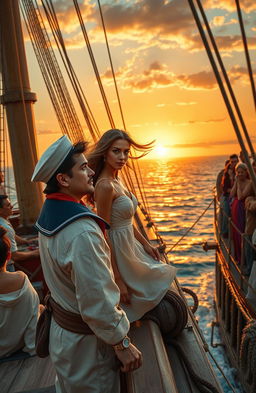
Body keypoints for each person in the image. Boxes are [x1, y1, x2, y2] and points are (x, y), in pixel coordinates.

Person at [31, 135, 142, 393]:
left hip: (64, 335)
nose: (91, 171)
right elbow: (97, 300)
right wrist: (121, 344)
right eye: (83, 167)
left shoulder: (50, 215)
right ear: (63, 179)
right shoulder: (82, 232)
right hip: (88, 347)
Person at [88, 129, 176, 322]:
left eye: (126, 152)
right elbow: (103, 233)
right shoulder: (104, 186)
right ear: (105, 153)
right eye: (116, 151)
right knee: (153, 287)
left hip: (131, 245)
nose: (122, 157)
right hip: (120, 252)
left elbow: (125, 221)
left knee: (161, 278)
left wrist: (145, 243)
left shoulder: (117, 179)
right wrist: (117, 279)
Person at [0, 226, 41, 358]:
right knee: (40, 308)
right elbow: (32, 313)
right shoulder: (21, 279)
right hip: (19, 347)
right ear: (9, 255)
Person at [0, 195, 39, 272]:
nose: (11, 206)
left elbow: (13, 235)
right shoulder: (5, 228)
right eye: (8, 205)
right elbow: (15, 256)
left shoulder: (3, 221)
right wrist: (36, 253)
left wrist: (27, 241)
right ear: (0, 210)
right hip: (7, 268)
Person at [230, 163, 252, 263]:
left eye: (241, 172)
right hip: (235, 209)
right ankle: (238, 256)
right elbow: (232, 194)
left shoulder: (249, 183)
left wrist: (238, 184)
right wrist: (236, 183)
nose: (239, 174)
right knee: (236, 232)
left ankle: (244, 258)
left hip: (243, 209)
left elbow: (240, 197)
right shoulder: (237, 181)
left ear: (246, 172)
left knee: (242, 231)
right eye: (238, 172)